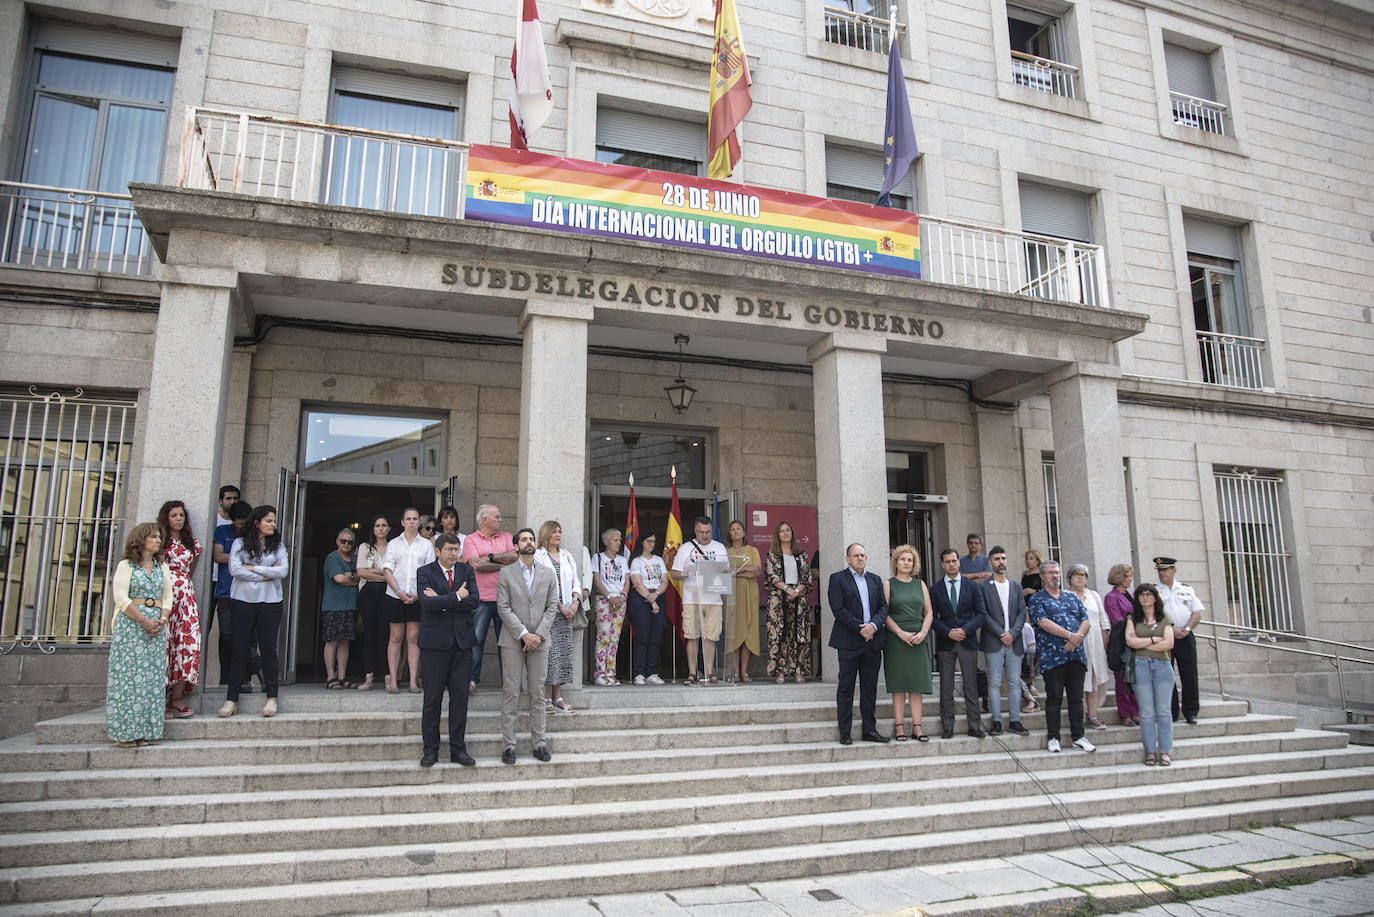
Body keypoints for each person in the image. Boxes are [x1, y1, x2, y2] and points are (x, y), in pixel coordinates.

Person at [106, 523, 172, 747]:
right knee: (129, 680)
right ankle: (125, 734)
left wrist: (161, 620)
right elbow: (121, 599)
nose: (157, 540)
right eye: (153, 536)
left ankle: (145, 731)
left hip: (156, 626)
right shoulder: (126, 566)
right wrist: (143, 621)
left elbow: (168, 597)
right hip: (131, 626)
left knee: (151, 680)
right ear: (141, 539)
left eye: (159, 536)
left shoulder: (162, 567)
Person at [496, 527, 559, 764]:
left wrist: (538, 635)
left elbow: (552, 606)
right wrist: (523, 634)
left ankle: (539, 743)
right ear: (516, 546)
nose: (529, 542)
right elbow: (503, 607)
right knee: (511, 693)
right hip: (513, 639)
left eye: (531, 539)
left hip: (540, 642)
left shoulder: (547, 572)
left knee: (537, 694)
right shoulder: (506, 573)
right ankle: (509, 746)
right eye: (523, 539)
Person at [416, 533, 480, 767]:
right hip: (435, 644)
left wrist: (444, 600)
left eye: (457, 549)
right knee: (432, 699)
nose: (455, 554)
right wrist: (456, 597)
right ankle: (430, 750)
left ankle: (458, 749)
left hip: (462, 644)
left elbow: (474, 601)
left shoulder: (466, 571)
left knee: (460, 699)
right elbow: (427, 605)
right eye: (450, 549)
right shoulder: (425, 573)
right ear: (437, 551)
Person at [220, 505, 289, 718]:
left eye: (274, 521)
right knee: (240, 649)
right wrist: (265, 575)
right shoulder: (240, 543)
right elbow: (235, 570)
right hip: (243, 601)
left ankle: (271, 698)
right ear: (257, 522)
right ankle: (232, 699)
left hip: (270, 603)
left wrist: (253, 568)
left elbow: (283, 571)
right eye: (269, 521)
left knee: (268, 650)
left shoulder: (277, 546)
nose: (273, 525)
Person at [1028, 561, 1094, 753]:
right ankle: (1053, 737)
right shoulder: (1037, 599)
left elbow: (1085, 620)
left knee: (1075, 697)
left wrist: (1077, 638)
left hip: (1076, 655)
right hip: (1053, 657)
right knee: (1054, 697)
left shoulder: (1071, 598)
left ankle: (1078, 736)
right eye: (1050, 573)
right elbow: (1042, 622)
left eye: (1057, 572)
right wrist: (1069, 636)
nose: (1054, 576)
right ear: (1042, 576)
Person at [828, 543, 888, 744]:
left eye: (863, 555)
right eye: (856, 555)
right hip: (849, 641)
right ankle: (845, 732)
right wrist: (861, 628)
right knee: (846, 688)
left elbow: (883, 608)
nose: (860, 558)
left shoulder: (875, 580)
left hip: (872, 642)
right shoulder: (837, 579)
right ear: (848, 559)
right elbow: (838, 608)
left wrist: (873, 626)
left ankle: (869, 730)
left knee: (869, 688)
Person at [930, 548, 987, 738]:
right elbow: (931, 617)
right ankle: (947, 726)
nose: (951, 564)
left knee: (971, 685)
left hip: (967, 640)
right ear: (942, 564)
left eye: (954, 561)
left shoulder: (972, 586)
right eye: (947, 562)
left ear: (959, 562)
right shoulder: (935, 589)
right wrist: (948, 632)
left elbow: (981, 613)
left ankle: (974, 725)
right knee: (946, 687)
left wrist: (965, 630)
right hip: (946, 643)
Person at [460, 505, 517, 694]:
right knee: (476, 640)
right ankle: (471, 680)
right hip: (481, 598)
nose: (501, 519)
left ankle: (508, 683)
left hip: (505, 598)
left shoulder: (508, 537)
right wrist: (502, 563)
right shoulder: (470, 540)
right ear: (484, 519)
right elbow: (475, 564)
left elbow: (515, 557)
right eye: (497, 516)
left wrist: (490, 557)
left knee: (508, 643)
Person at [671, 516, 729, 686]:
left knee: (711, 636)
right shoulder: (686, 549)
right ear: (695, 531)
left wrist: (726, 571)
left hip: (713, 597)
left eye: (708, 532)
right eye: (702, 532)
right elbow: (674, 573)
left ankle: (710, 672)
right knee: (692, 635)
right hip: (692, 598)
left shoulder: (719, 548)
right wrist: (684, 573)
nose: (705, 535)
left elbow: (726, 570)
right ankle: (692, 672)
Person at [883, 544, 933, 742]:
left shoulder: (920, 585)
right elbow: (883, 614)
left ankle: (918, 727)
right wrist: (900, 633)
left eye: (909, 560)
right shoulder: (888, 584)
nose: (906, 563)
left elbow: (928, 612)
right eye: (903, 559)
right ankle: (899, 727)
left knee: (916, 685)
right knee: (899, 685)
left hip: (919, 638)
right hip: (897, 639)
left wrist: (923, 632)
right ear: (896, 562)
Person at [979, 545, 1030, 736]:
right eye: (997, 559)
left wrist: (1013, 633)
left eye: (1003, 558)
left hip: (1014, 642)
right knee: (994, 682)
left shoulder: (1016, 586)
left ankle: (1015, 720)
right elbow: (983, 614)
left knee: (1015, 682)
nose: (1001, 562)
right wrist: (1001, 633)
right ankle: (997, 721)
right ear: (990, 563)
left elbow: (1021, 612)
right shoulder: (983, 587)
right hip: (994, 641)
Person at [157, 500, 201, 719]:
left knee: (186, 645)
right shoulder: (159, 541)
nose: (178, 519)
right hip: (165, 594)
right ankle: (160, 699)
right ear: (166, 517)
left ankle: (177, 697)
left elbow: (190, 569)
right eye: (174, 515)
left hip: (186, 597)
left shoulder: (190, 542)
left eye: (181, 515)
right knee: (166, 645)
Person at [383, 508, 434, 694]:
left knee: (413, 638)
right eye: (408, 519)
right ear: (403, 522)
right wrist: (398, 591)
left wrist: (419, 594)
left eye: (415, 519)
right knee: (395, 637)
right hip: (395, 595)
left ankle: (413, 681)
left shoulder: (426, 545)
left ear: (418, 522)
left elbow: (429, 572)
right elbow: (387, 569)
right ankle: (394, 680)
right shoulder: (394, 544)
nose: (412, 522)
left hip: (417, 596)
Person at [1125, 582, 1175, 766]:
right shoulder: (1133, 618)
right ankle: (1150, 750)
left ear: (1155, 597)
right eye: (1141, 595)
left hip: (1162, 665)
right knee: (1146, 712)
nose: (1145, 598)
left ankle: (1165, 750)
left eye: (1148, 594)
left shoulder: (1164, 618)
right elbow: (1130, 641)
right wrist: (1154, 639)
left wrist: (1143, 642)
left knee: (1163, 711)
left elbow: (1168, 643)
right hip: (1140, 665)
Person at [534, 520, 582, 711]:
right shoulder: (539, 556)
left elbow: (576, 581)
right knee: (549, 655)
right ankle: (545, 699)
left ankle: (558, 697)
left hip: (568, 614)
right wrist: (560, 606)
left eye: (560, 531)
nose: (558, 534)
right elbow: (541, 585)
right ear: (546, 533)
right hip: (549, 613)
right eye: (554, 531)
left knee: (563, 655)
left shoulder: (567, 555)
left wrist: (576, 601)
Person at [1154, 556, 1205, 725]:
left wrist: (1187, 629)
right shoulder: (1154, 591)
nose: (1162, 574)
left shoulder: (1186, 589)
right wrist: (1170, 630)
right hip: (1166, 636)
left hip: (1185, 635)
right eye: (1160, 570)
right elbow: (1153, 616)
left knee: (1189, 674)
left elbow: (1197, 612)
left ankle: (1191, 712)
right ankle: (1172, 711)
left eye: (1165, 570)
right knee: (1167, 675)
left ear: (1173, 570)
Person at [211, 500, 254, 690]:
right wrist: (240, 559)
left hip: (248, 594)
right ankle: (227, 677)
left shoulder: (253, 535)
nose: (241, 526)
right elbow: (217, 556)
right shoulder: (222, 532)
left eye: (245, 523)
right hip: (225, 592)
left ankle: (244, 678)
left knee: (246, 637)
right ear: (232, 519)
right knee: (227, 635)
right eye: (239, 522)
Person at [765, 521, 813, 684]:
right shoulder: (773, 554)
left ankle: (799, 670)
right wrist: (787, 589)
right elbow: (772, 576)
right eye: (782, 531)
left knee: (799, 636)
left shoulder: (801, 554)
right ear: (777, 535)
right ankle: (781, 671)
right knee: (780, 635)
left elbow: (806, 577)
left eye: (788, 530)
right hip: (779, 600)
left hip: (799, 601)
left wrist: (797, 591)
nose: (785, 533)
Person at [1066, 563, 1111, 730]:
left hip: (1096, 643)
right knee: (1078, 680)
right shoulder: (1065, 595)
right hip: (1075, 643)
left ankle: (1093, 715)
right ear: (1070, 577)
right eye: (1076, 574)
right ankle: (1079, 715)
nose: (1080, 578)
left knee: (1094, 679)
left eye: (1083, 575)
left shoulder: (1093, 595)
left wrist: (1105, 642)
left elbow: (1103, 620)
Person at [354, 514, 391, 691]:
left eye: (384, 525)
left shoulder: (394, 547)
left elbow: (396, 572)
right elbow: (361, 572)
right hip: (368, 592)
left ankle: (387, 676)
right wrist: (383, 573)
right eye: (377, 525)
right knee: (369, 635)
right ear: (373, 529)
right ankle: (368, 677)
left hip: (387, 593)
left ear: (389, 528)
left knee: (386, 635)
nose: (381, 528)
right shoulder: (365, 547)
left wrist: (375, 572)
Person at [627, 532, 669, 686]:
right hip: (640, 599)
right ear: (642, 542)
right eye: (649, 541)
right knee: (642, 636)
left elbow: (664, 581)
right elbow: (637, 583)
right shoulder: (636, 561)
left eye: (654, 541)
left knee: (655, 637)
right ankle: (639, 673)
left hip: (657, 597)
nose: (652, 544)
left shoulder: (658, 560)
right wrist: (652, 601)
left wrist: (656, 595)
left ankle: (651, 672)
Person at [724, 520, 761, 684]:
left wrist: (737, 571)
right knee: (735, 633)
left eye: (739, 529)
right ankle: (736, 673)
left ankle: (745, 672)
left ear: (744, 532)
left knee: (749, 632)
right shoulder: (725, 552)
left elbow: (757, 570)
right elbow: (724, 573)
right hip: (733, 595)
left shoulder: (753, 550)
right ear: (729, 534)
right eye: (732, 529)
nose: (736, 532)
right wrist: (746, 568)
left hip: (750, 595)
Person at [592, 528, 629, 686]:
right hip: (604, 600)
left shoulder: (622, 560)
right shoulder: (598, 558)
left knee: (614, 638)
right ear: (606, 542)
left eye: (619, 540)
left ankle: (611, 673)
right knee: (603, 636)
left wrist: (622, 596)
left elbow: (627, 581)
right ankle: (600, 673)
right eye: (615, 540)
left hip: (620, 601)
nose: (618, 543)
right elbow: (597, 580)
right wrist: (609, 597)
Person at [1103, 564, 1139, 726]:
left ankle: (1136, 711)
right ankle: (1125, 713)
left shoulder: (1130, 595)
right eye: (1127, 576)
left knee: (1134, 679)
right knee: (1122, 679)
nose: (1130, 579)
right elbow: (1116, 620)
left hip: (1135, 641)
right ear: (1120, 578)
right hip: (1121, 642)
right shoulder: (1111, 597)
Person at [322, 528, 358, 689]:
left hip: (350, 604)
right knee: (332, 641)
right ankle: (330, 677)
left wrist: (349, 577)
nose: (346, 544)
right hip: (333, 606)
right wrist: (352, 578)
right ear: (337, 541)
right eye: (343, 541)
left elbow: (358, 578)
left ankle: (342, 676)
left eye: (350, 542)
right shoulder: (332, 558)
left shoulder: (355, 559)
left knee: (345, 642)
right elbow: (338, 579)